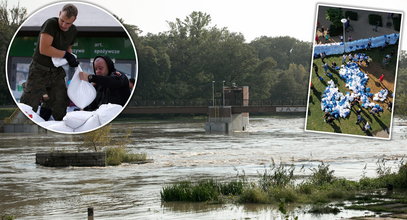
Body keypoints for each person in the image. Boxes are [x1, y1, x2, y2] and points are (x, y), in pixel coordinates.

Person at [20, 4, 79, 121]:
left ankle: (46, 122)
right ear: (59, 14)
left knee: (60, 102)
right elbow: (44, 49)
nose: (63, 25)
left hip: (57, 71)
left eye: (68, 23)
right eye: (62, 20)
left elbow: (68, 48)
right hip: (39, 69)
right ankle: (28, 88)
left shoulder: (73, 30)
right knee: (29, 103)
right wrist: (66, 55)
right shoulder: (50, 24)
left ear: (74, 20)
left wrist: (71, 58)